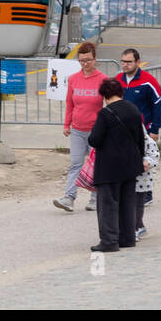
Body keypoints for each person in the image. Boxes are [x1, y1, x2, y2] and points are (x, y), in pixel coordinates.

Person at [87, 78, 146, 252]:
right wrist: (140, 159)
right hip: (131, 164)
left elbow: (95, 140)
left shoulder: (106, 114)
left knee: (108, 204)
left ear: (105, 95)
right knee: (128, 202)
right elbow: (140, 138)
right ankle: (127, 238)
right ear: (121, 92)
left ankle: (109, 241)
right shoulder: (134, 110)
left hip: (109, 167)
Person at [55, 41, 107, 213]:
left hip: (96, 130)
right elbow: (70, 104)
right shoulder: (74, 79)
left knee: (97, 165)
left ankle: (95, 198)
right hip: (77, 129)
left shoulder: (102, 80)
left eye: (88, 60)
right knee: (76, 164)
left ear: (95, 59)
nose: (85, 64)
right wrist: (66, 124)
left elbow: (110, 104)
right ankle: (69, 198)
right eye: (82, 60)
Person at [118, 47, 161, 210]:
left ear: (137, 62)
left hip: (143, 132)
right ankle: (129, 192)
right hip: (123, 131)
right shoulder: (118, 80)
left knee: (144, 162)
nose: (125, 65)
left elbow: (158, 105)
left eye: (128, 62)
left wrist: (155, 129)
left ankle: (147, 194)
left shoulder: (148, 81)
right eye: (123, 61)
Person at [134, 128, 159, 241]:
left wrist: (147, 162)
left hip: (143, 181)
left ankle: (137, 228)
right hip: (128, 179)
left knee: (138, 205)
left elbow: (155, 156)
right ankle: (137, 226)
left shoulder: (148, 141)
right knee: (129, 205)